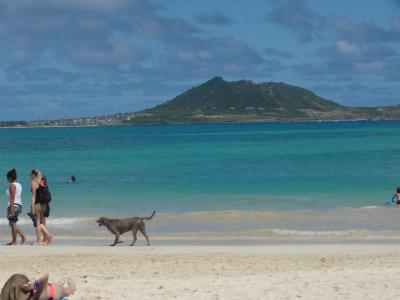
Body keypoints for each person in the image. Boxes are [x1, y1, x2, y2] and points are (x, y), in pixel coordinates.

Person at [0, 272, 76, 300]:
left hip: (54, 291)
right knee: (56, 285)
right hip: (47, 290)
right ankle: (61, 282)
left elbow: (46, 274)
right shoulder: (35, 291)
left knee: (69, 290)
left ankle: (71, 284)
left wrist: (34, 283)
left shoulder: (37, 294)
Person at [29, 169, 50, 245]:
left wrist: (32, 206)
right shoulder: (42, 182)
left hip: (37, 204)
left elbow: (33, 196)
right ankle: (46, 238)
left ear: (34, 175)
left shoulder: (34, 183)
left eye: (30, 174)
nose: (29, 176)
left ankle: (40, 240)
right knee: (42, 223)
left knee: (37, 223)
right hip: (44, 204)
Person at [6, 169, 26, 245]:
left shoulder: (12, 185)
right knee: (12, 223)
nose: (7, 179)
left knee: (12, 223)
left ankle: (14, 241)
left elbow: (12, 198)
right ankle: (22, 237)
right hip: (18, 205)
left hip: (14, 206)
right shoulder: (19, 185)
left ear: (10, 177)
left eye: (7, 178)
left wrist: (11, 209)